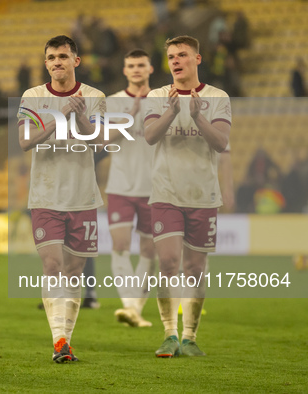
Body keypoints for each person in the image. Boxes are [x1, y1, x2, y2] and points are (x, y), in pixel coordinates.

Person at [18, 35, 106, 363]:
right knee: (52, 265)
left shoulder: (94, 97)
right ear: (46, 63)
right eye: (52, 57)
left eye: (63, 56)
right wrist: (60, 117)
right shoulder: (33, 96)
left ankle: (66, 338)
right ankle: (59, 341)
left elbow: (99, 142)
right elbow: (25, 141)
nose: (57, 62)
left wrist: (79, 116)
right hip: (45, 195)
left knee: (74, 271)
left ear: (76, 61)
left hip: (82, 196)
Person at [144, 36, 231, 357]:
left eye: (182, 55)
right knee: (167, 262)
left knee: (195, 268)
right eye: (170, 56)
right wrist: (170, 112)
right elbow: (151, 136)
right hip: (165, 193)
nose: (176, 61)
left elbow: (221, 142)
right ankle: (169, 334)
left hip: (203, 195)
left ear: (197, 58)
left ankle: (190, 337)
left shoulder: (217, 97)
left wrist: (197, 116)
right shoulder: (156, 96)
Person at [105, 49, 156, 328]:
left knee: (149, 251)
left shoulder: (161, 100)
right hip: (121, 185)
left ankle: (136, 309)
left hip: (154, 188)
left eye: (140, 65)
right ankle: (129, 306)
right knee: (120, 245)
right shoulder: (113, 102)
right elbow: (104, 141)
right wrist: (130, 116)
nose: (136, 69)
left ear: (150, 68)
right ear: (124, 71)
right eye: (130, 65)